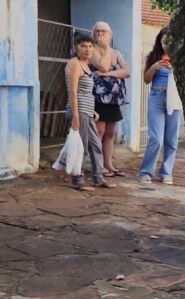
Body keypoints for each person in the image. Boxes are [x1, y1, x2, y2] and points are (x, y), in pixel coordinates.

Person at [55, 32, 115, 191]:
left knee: (95, 145)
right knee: (79, 147)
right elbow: (73, 92)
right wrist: (75, 115)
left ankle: (98, 178)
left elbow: (86, 93)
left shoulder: (86, 65)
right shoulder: (74, 64)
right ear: (76, 48)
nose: (88, 49)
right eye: (83, 46)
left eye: (90, 46)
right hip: (78, 112)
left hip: (86, 112)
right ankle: (78, 180)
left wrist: (92, 111)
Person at [139, 27, 182, 185]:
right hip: (157, 96)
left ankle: (166, 172)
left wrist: (173, 69)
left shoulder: (179, 57)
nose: (166, 43)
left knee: (171, 139)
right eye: (163, 40)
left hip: (174, 99)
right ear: (159, 40)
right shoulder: (154, 56)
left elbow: (184, 81)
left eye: (169, 40)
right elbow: (146, 80)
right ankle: (146, 172)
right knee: (156, 138)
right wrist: (153, 67)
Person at [90, 21, 130, 178]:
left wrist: (109, 75)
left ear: (110, 34)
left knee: (111, 133)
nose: (101, 34)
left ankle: (109, 164)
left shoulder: (117, 53)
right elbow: (103, 66)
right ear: (93, 34)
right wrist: (106, 48)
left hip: (114, 99)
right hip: (98, 98)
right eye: (98, 31)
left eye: (104, 31)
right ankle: (98, 166)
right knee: (99, 132)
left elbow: (126, 72)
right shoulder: (92, 51)